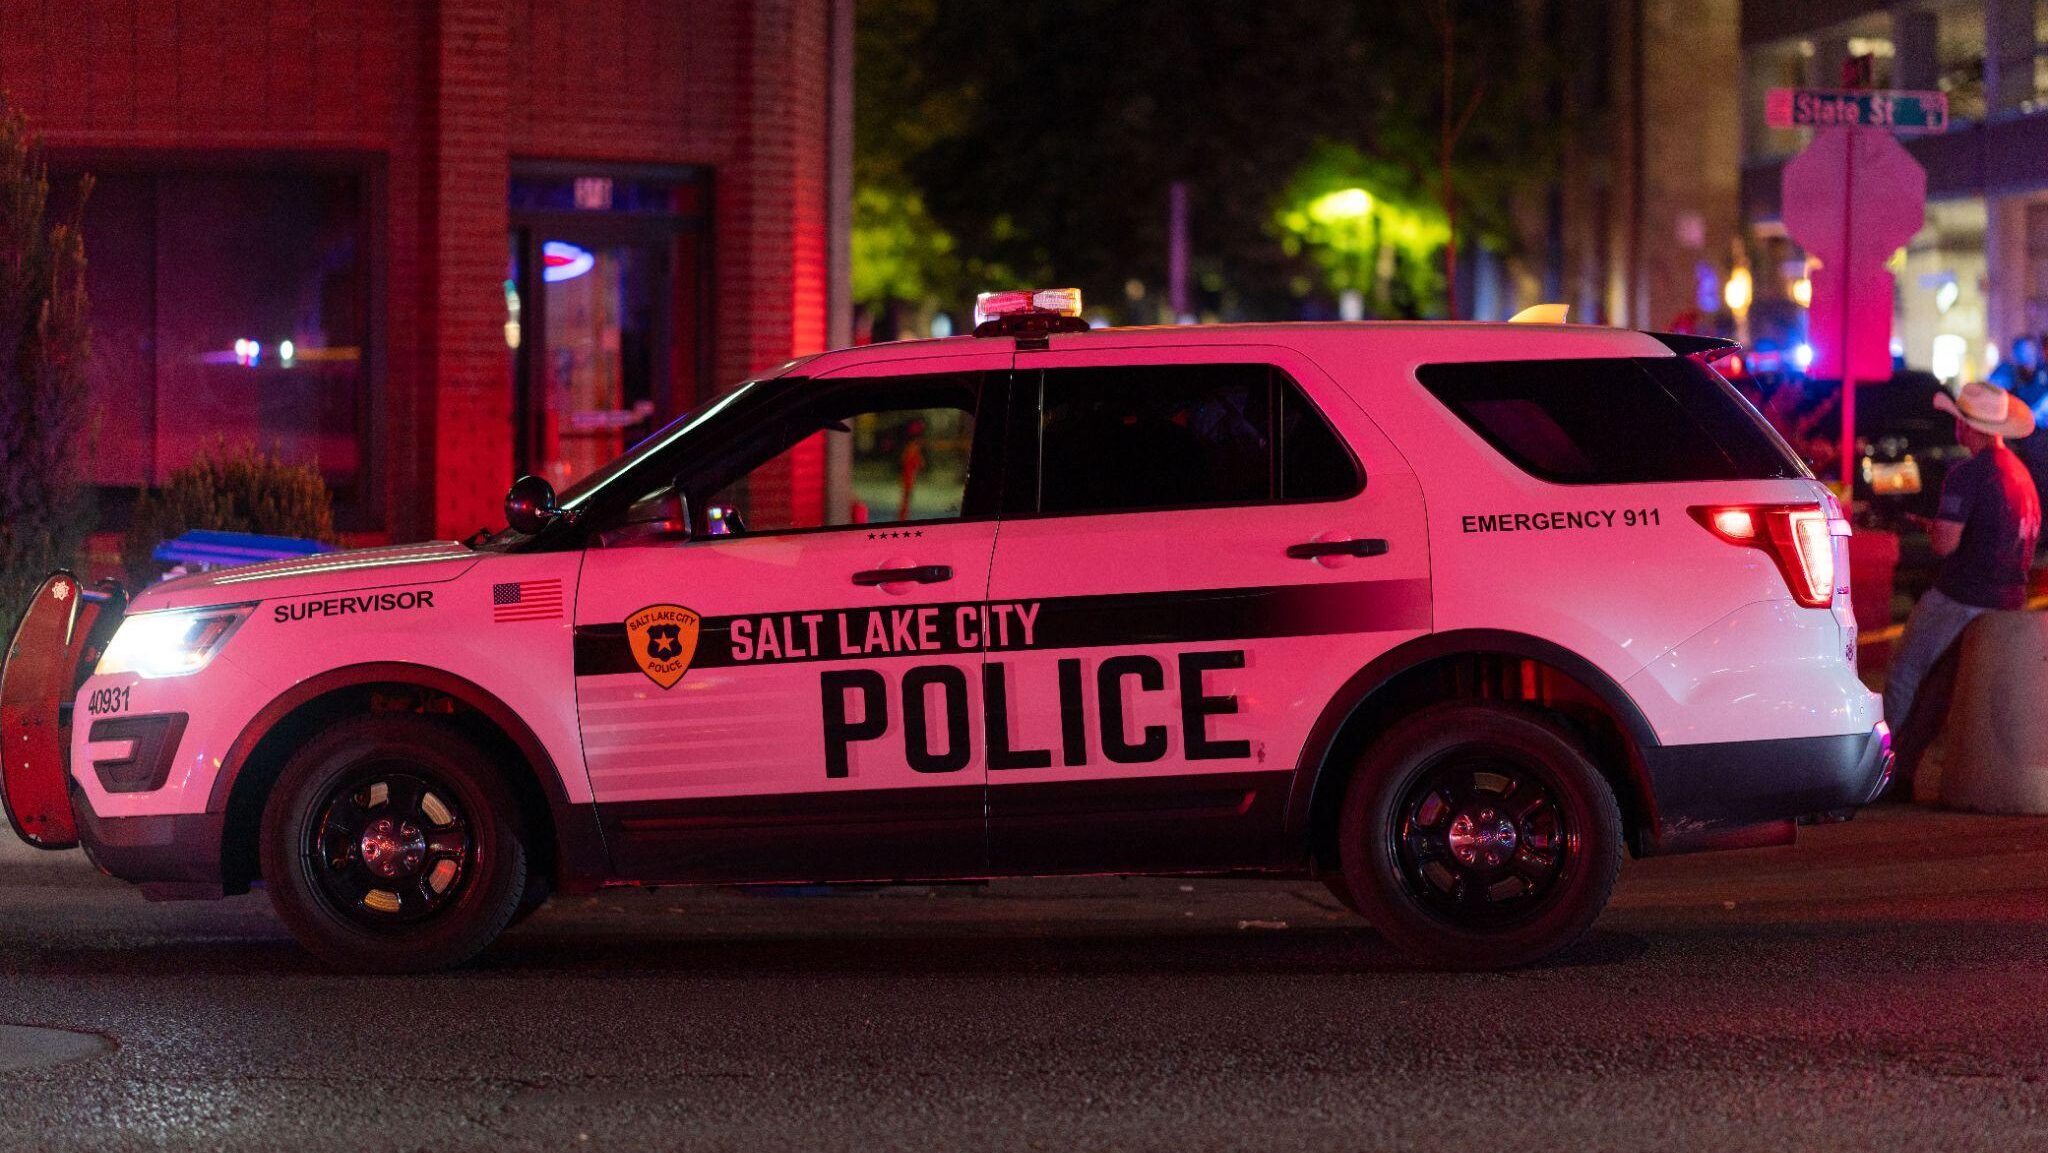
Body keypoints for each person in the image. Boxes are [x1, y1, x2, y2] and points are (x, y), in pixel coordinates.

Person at [1884, 378, 2042, 765]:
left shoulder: (1968, 474)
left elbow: (1944, 545)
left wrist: (1934, 525)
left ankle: (1881, 765)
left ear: (1967, 426)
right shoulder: (2020, 476)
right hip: (2007, 601)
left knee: (1907, 673)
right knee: (1955, 689)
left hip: (1961, 595)